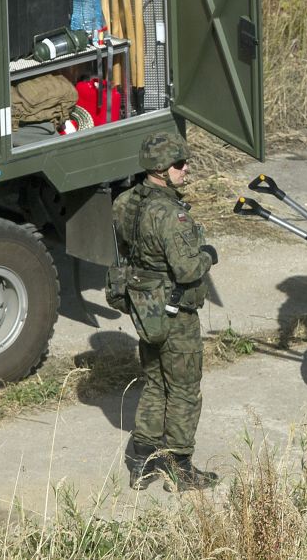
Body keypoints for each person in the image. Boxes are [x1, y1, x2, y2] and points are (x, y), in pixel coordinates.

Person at [113, 131, 219, 490]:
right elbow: (188, 269)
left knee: (155, 383)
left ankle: (140, 462)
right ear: (160, 169)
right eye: (179, 163)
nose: (185, 168)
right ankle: (181, 467)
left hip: (146, 309)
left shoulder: (125, 202)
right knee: (185, 389)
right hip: (176, 313)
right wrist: (208, 254)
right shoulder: (171, 215)